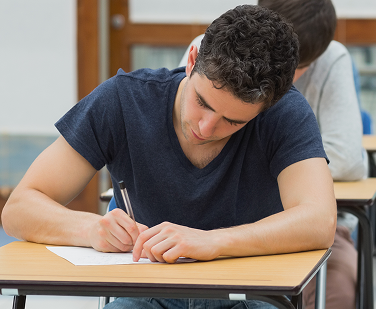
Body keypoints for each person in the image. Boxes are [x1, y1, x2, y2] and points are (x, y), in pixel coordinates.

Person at [1, 5, 337, 308]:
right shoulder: (122, 100)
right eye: (202, 102)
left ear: (268, 106)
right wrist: (88, 228)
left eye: (232, 121)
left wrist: (214, 242)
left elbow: (318, 221)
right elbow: (19, 209)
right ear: (191, 61)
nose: (206, 128)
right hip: (146, 292)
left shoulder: (286, 113)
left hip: (250, 293)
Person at [177, 1, 363, 307]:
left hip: (295, 226)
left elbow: (348, 159)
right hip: (200, 223)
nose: (284, 79)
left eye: (298, 67)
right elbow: (184, 140)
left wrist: (288, 162)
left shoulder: (330, 62)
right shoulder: (213, 50)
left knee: (336, 288)